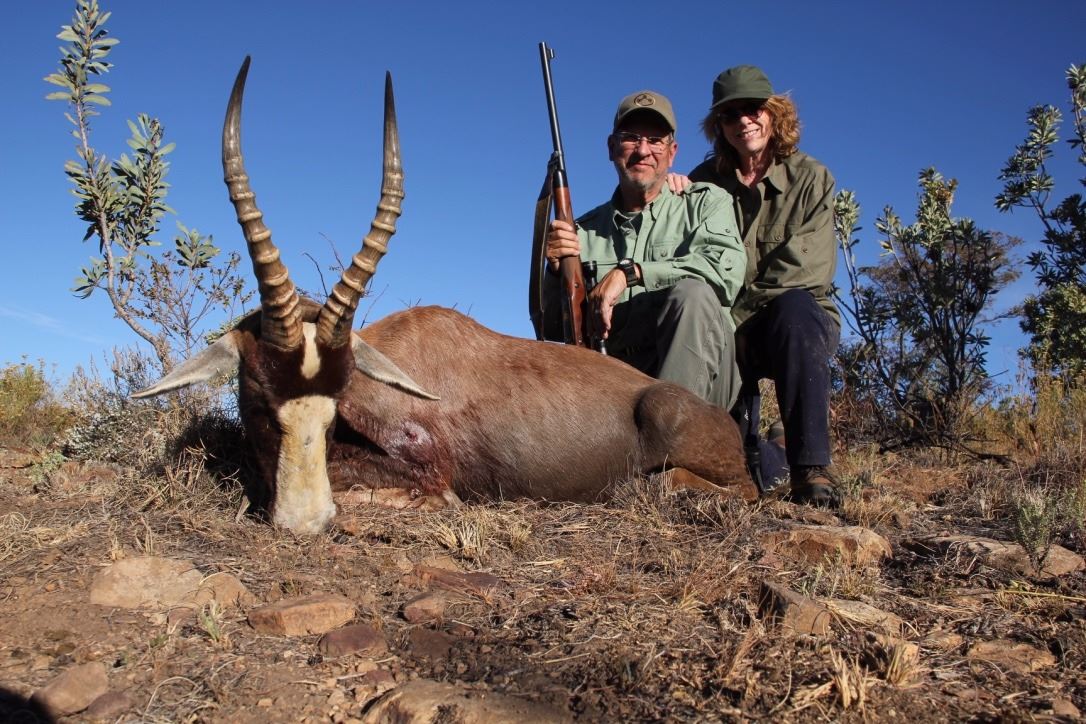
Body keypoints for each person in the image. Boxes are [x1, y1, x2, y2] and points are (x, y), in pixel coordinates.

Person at [676, 65, 841, 507]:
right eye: (730, 115)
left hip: (788, 323)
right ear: (718, 126)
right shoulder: (702, 181)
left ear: (774, 114)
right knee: (743, 470)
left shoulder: (812, 178)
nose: (743, 121)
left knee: (795, 310)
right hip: (728, 327)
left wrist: (730, 323)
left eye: (753, 109)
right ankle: (771, 451)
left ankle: (811, 467)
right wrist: (668, 189)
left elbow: (804, 271)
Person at [543, 90, 746, 411]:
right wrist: (555, 273)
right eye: (631, 138)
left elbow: (723, 276)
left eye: (655, 141)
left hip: (705, 383)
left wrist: (631, 273)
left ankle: (668, 433)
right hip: (615, 388)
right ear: (611, 148)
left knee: (693, 295)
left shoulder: (706, 203)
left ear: (672, 152)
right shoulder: (581, 233)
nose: (642, 150)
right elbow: (553, 329)